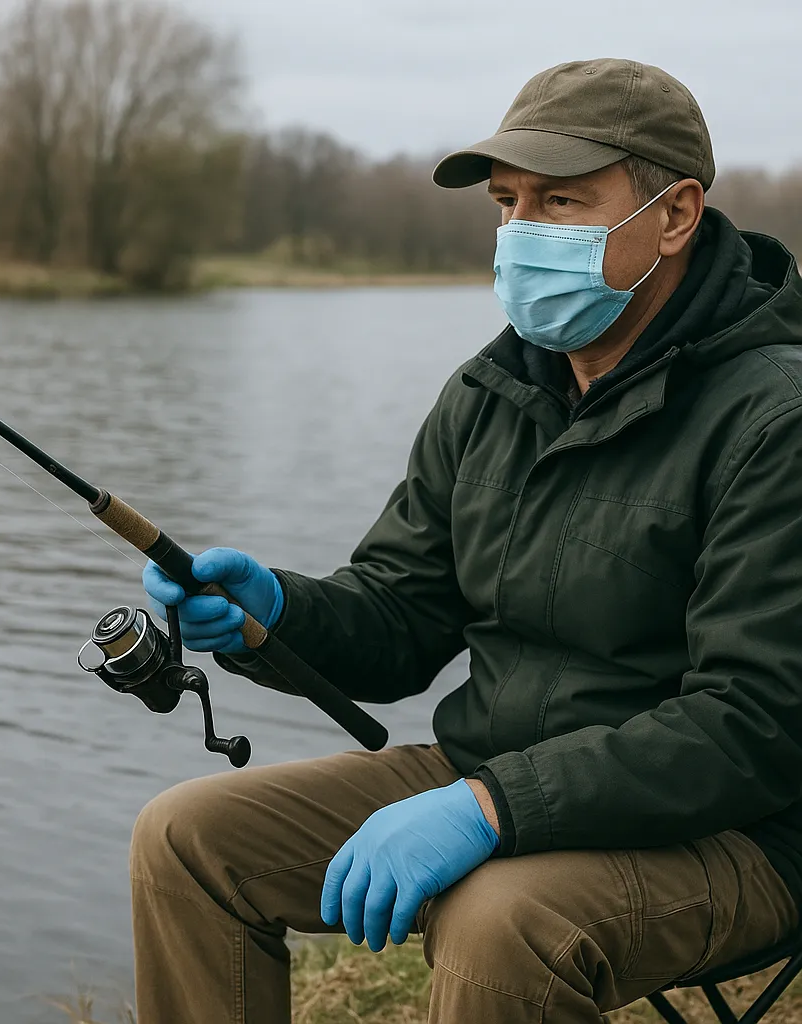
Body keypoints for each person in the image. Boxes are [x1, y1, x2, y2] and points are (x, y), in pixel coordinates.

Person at [131, 58, 802, 1022]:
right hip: (494, 775)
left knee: (498, 922)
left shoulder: (776, 415)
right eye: (507, 203)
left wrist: (492, 811)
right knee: (185, 837)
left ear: (677, 214)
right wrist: (272, 613)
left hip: (741, 833)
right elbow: (402, 617)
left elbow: (756, 725)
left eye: (562, 201)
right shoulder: (492, 393)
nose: (523, 231)